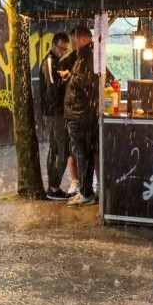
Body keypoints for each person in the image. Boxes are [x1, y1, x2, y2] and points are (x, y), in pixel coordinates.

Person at [63, 26, 101, 207]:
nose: (72, 45)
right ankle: (86, 191)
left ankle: (87, 192)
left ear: (83, 39)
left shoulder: (88, 58)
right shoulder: (86, 57)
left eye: (73, 41)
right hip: (79, 113)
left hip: (81, 114)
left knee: (83, 154)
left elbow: (86, 83)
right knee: (83, 153)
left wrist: (71, 76)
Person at [38, 32, 72, 199]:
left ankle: (53, 186)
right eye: (61, 49)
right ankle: (53, 187)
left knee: (55, 148)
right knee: (62, 148)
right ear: (53, 45)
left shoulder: (57, 61)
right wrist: (66, 78)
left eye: (65, 50)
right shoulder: (50, 61)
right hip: (55, 112)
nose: (63, 52)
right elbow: (52, 88)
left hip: (55, 112)